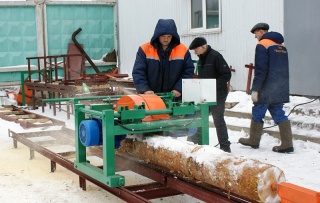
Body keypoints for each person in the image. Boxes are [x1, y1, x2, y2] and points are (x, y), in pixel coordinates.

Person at [238, 23, 294, 153]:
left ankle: (253, 140)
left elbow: (261, 69)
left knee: (258, 111)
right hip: (279, 85)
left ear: (261, 31)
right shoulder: (281, 45)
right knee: (279, 112)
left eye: (255, 33)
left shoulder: (262, 44)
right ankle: (287, 143)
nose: (255, 37)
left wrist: (256, 89)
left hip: (266, 86)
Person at [132, 19, 194, 101]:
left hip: (174, 99)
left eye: (169, 36)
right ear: (158, 35)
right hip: (150, 99)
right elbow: (138, 72)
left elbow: (188, 71)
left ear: (173, 36)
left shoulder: (183, 50)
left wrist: (179, 88)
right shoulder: (144, 49)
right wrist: (145, 89)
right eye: (163, 36)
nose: (166, 39)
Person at [188, 37, 232, 153]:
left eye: (196, 49)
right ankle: (191, 142)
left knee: (218, 119)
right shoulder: (201, 58)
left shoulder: (215, 56)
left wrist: (213, 85)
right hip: (206, 93)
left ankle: (225, 147)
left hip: (218, 93)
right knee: (199, 117)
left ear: (203, 47)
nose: (195, 52)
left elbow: (226, 74)